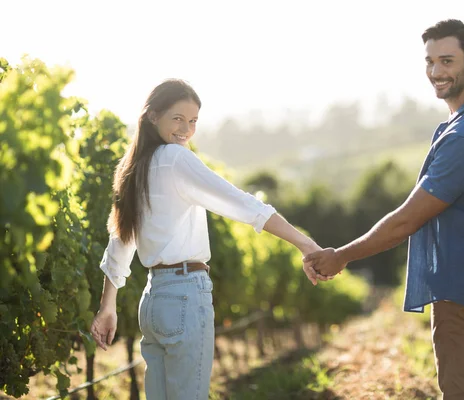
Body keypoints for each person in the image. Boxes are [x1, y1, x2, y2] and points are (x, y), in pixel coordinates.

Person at [305, 19, 464, 400]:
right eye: (430, 62)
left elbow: (408, 218)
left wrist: (341, 255)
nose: (436, 72)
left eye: (447, 61)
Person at [90, 79, 321, 400]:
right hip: (185, 295)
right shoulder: (175, 158)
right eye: (178, 119)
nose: (186, 129)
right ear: (152, 116)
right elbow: (242, 204)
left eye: (194, 121)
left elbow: (120, 240)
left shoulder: (133, 169)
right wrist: (305, 244)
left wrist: (108, 306)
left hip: (153, 301)